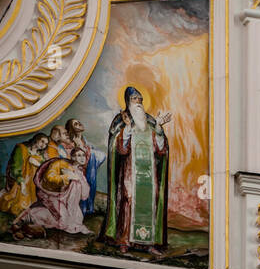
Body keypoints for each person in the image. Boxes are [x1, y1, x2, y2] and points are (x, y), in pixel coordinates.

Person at [100, 86, 171, 254]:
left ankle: (148, 244)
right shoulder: (122, 120)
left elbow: (160, 150)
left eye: (140, 99)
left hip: (149, 176)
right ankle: (124, 240)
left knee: (151, 203)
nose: (138, 102)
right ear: (127, 102)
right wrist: (127, 128)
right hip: (129, 173)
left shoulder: (150, 122)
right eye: (135, 99)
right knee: (128, 200)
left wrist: (160, 129)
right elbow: (119, 149)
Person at [11, 150, 92, 238]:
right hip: (51, 196)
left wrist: (78, 179)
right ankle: (28, 216)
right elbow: (49, 178)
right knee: (63, 220)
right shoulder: (60, 163)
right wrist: (67, 177)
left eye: (83, 155)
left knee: (76, 220)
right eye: (79, 155)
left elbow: (84, 195)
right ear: (72, 157)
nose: (82, 158)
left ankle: (33, 224)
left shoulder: (79, 172)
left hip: (68, 200)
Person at [0, 132, 50, 216]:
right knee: (18, 206)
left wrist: (37, 164)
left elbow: (44, 168)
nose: (43, 145)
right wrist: (22, 182)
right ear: (36, 139)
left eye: (46, 144)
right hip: (21, 180)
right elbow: (16, 168)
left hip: (33, 183)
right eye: (42, 141)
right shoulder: (21, 148)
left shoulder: (40, 155)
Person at [66, 119, 105, 218]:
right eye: (76, 124)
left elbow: (96, 154)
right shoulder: (71, 141)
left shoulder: (84, 140)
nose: (79, 124)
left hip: (88, 169)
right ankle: (81, 211)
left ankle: (88, 208)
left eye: (79, 122)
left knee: (89, 186)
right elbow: (70, 156)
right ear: (71, 128)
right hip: (79, 169)